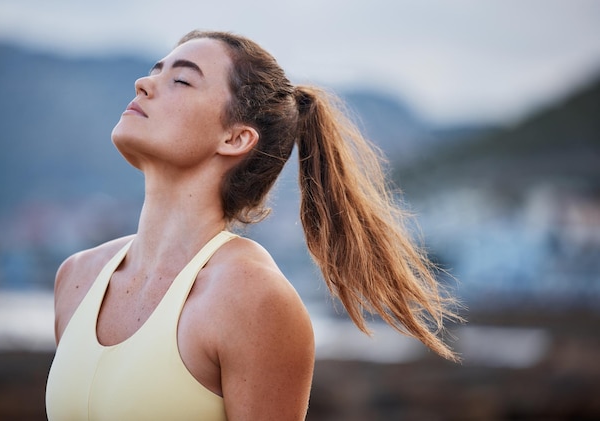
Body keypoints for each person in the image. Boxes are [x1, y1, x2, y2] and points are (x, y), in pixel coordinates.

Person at [45, 30, 460, 420]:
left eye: (181, 81)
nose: (143, 83)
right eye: (154, 71)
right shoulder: (78, 277)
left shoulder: (253, 298)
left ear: (235, 139)